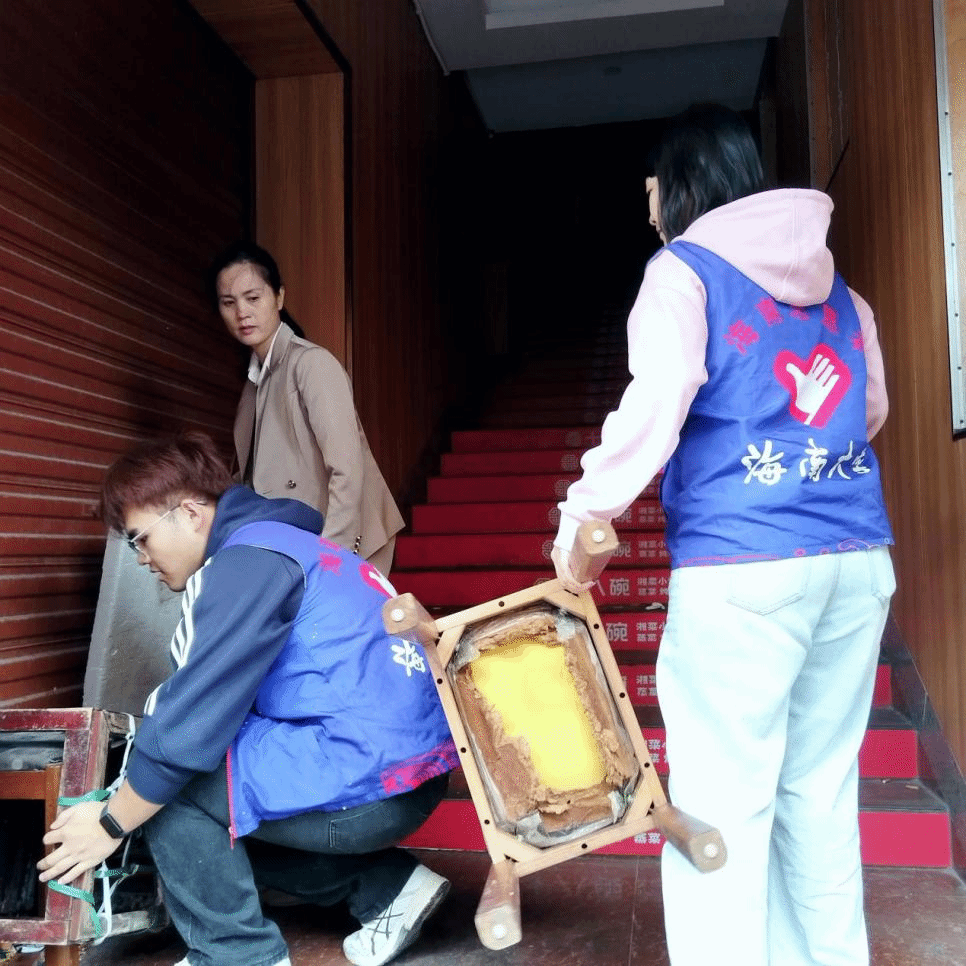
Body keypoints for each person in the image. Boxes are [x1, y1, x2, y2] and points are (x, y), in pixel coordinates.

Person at [551, 105, 895, 966]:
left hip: (744, 567)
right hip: (855, 556)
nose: (648, 206)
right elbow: (870, 410)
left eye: (651, 188)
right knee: (820, 795)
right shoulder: (843, 294)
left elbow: (657, 400)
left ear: (680, 185)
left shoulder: (684, 271)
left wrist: (585, 513)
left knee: (721, 805)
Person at [38, 430, 458, 966]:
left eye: (140, 538)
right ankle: (388, 889)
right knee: (215, 809)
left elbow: (187, 731)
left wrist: (110, 823)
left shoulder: (245, 565)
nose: (140, 558)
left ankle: (238, 956)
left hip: (373, 783)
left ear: (190, 514)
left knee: (173, 785)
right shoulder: (290, 543)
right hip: (412, 772)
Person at [210, 241, 405, 576]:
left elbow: (347, 469)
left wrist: (331, 554)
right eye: (229, 302)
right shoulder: (253, 384)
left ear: (279, 297)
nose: (242, 312)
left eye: (253, 298)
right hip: (299, 545)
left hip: (340, 544)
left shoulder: (311, 364)